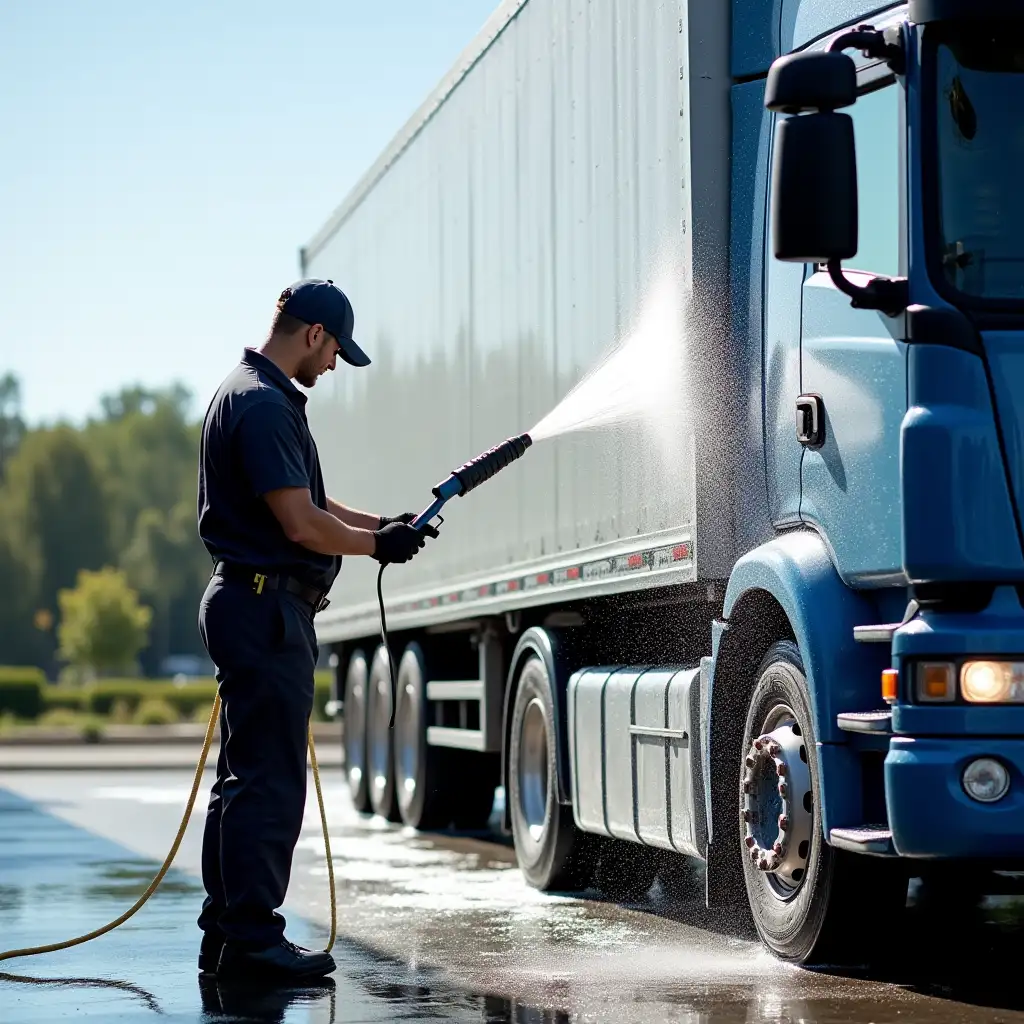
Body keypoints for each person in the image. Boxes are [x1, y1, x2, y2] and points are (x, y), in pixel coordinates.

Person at [195, 279, 433, 981]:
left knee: (243, 782)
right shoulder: (265, 406)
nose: (332, 368)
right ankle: (252, 941)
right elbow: (300, 525)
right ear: (315, 335)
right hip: (265, 609)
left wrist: (380, 526)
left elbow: (312, 502)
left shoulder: (243, 392)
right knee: (267, 784)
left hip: (251, 605)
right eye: (335, 354)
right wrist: (375, 548)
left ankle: (228, 935)